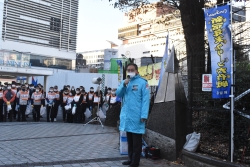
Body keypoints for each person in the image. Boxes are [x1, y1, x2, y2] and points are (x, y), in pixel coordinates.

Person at [116, 63, 150, 167]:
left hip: (137, 117)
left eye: (132, 70)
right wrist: (124, 84)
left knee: (136, 142)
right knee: (129, 141)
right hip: (127, 117)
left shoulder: (143, 83)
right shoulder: (125, 82)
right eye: (128, 70)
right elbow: (118, 94)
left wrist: (144, 115)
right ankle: (130, 159)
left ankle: (135, 162)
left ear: (137, 71)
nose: (130, 72)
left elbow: (146, 100)